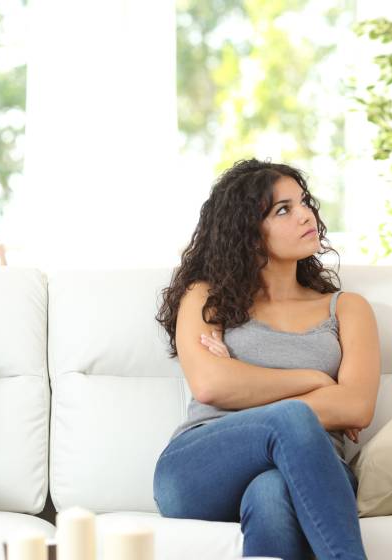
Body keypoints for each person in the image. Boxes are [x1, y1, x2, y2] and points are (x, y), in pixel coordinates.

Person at [153, 159, 379, 560]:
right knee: (292, 418)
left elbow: (356, 406)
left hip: (314, 473)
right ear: (249, 233)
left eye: (303, 202)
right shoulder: (206, 297)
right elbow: (211, 385)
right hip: (200, 467)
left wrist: (245, 382)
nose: (306, 214)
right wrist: (317, 380)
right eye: (283, 210)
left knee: (271, 492)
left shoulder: (347, 308)